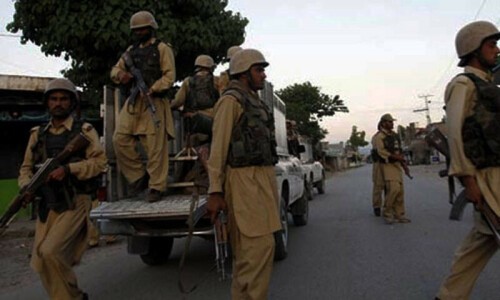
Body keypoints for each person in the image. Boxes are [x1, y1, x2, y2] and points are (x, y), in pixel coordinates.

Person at [18, 78, 107, 300]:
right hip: (48, 205)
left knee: (51, 252)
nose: (58, 103)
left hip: (75, 200)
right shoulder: (37, 135)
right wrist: (26, 188)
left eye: (64, 99)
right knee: (42, 260)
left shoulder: (84, 131)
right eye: (54, 99)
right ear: (47, 103)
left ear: (72, 103)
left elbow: (99, 163)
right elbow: (26, 168)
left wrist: (68, 169)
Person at [206, 48, 282, 299]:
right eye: (259, 70)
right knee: (257, 250)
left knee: (250, 258)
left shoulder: (253, 100)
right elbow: (217, 150)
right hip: (244, 182)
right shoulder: (231, 101)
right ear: (243, 73)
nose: (263, 75)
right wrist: (215, 191)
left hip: (261, 180)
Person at [436, 20, 500, 300]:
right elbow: (456, 135)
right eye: (491, 45)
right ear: (474, 49)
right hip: (487, 176)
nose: (497, 50)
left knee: (481, 241)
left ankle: (449, 296)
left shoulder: (488, 83)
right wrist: (467, 178)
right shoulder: (463, 84)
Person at [110, 10, 176, 202]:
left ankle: (156, 186)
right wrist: (121, 75)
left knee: (155, 147)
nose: (140, 33)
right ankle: (138, 177)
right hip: (133, 100)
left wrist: (153, 89)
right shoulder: (130, 52)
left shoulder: (163, 48)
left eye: (143, 29)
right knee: (119, 138)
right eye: (136, 30)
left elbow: (170, 76)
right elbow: (115, 70)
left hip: (154, 101)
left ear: (151, 28)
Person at [171, 54, 219, 146]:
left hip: (193, 122)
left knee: (190, 153)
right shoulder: (216, 80)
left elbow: (178, 101)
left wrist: (168, 106)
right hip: (213, 122)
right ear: (211, 67)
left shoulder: (188, 81)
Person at [373, 113, 410, 224]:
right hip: (385, 165)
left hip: (396, 165)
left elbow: (399, 151)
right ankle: (387, 212)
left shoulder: (394, 135)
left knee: (400, 192)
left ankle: (399, 214)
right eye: (389, 122)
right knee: (393, 189)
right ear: (384, 123)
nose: (392, 124)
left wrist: (404, 165)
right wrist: (397, 157)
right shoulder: (379, 137)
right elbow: (382, 152)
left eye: (392, 122)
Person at [370, 121, 385, 217]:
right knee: (378, 186)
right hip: (379, 163)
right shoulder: (377, 137)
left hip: (388, 163)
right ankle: (377, 207)